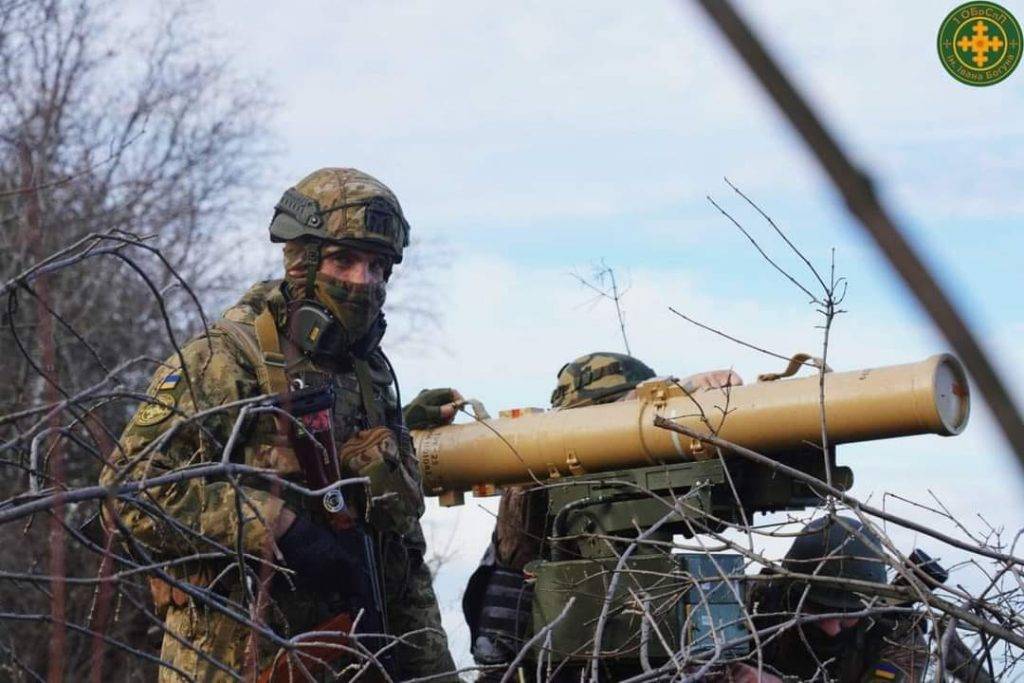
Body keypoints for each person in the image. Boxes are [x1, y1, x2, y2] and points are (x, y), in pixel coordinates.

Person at [101, 168, 458, 681]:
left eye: (378, 266)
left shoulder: (369, 375)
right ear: (302, 262)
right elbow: (127, 490)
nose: (364, 281)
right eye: (343, 260)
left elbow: (403, 559)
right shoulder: (226, 358)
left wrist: (433, 674)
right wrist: (273, 523)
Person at [462, 351, 742, 680]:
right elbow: (503, 626)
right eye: (622, 409)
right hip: (559, 658)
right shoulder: (536, 480)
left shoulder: (637, 475)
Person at [739, 516, 928, 682]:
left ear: (870, 605)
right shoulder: (751, 601)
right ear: (791, 593)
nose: (832, 629)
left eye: (848, 614)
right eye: (817, 609)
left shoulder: (896, 636)